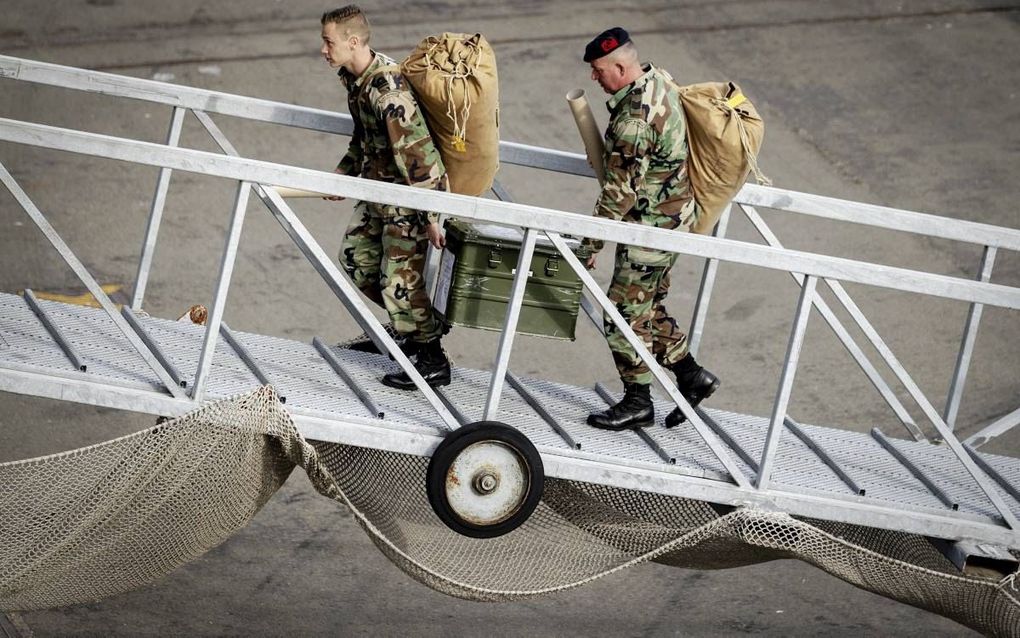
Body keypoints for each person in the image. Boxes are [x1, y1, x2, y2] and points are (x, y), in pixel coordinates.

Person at [581, 27, 720, 430]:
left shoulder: (635, 120)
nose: (594, 78)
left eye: (598, 70)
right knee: (645, 307)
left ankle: (638, 400)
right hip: (672, 221)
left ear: (621, 67)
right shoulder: (658, 80)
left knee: (620, 313)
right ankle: (692, 376)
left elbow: (619, 194)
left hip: (650, 229)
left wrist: (589, 244)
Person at [320, 5, 451, 389]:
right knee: (355, 259)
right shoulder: (354, 78)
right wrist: (341, 175)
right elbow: (364, 139)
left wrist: (432, 215)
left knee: (399, 282)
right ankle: (409, 325)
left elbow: (417, 155)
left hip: (408, 202)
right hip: (377, 192)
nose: (324, 50)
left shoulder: (388, 91)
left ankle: (431, 357)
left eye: (329, 42)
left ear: (354, 41)